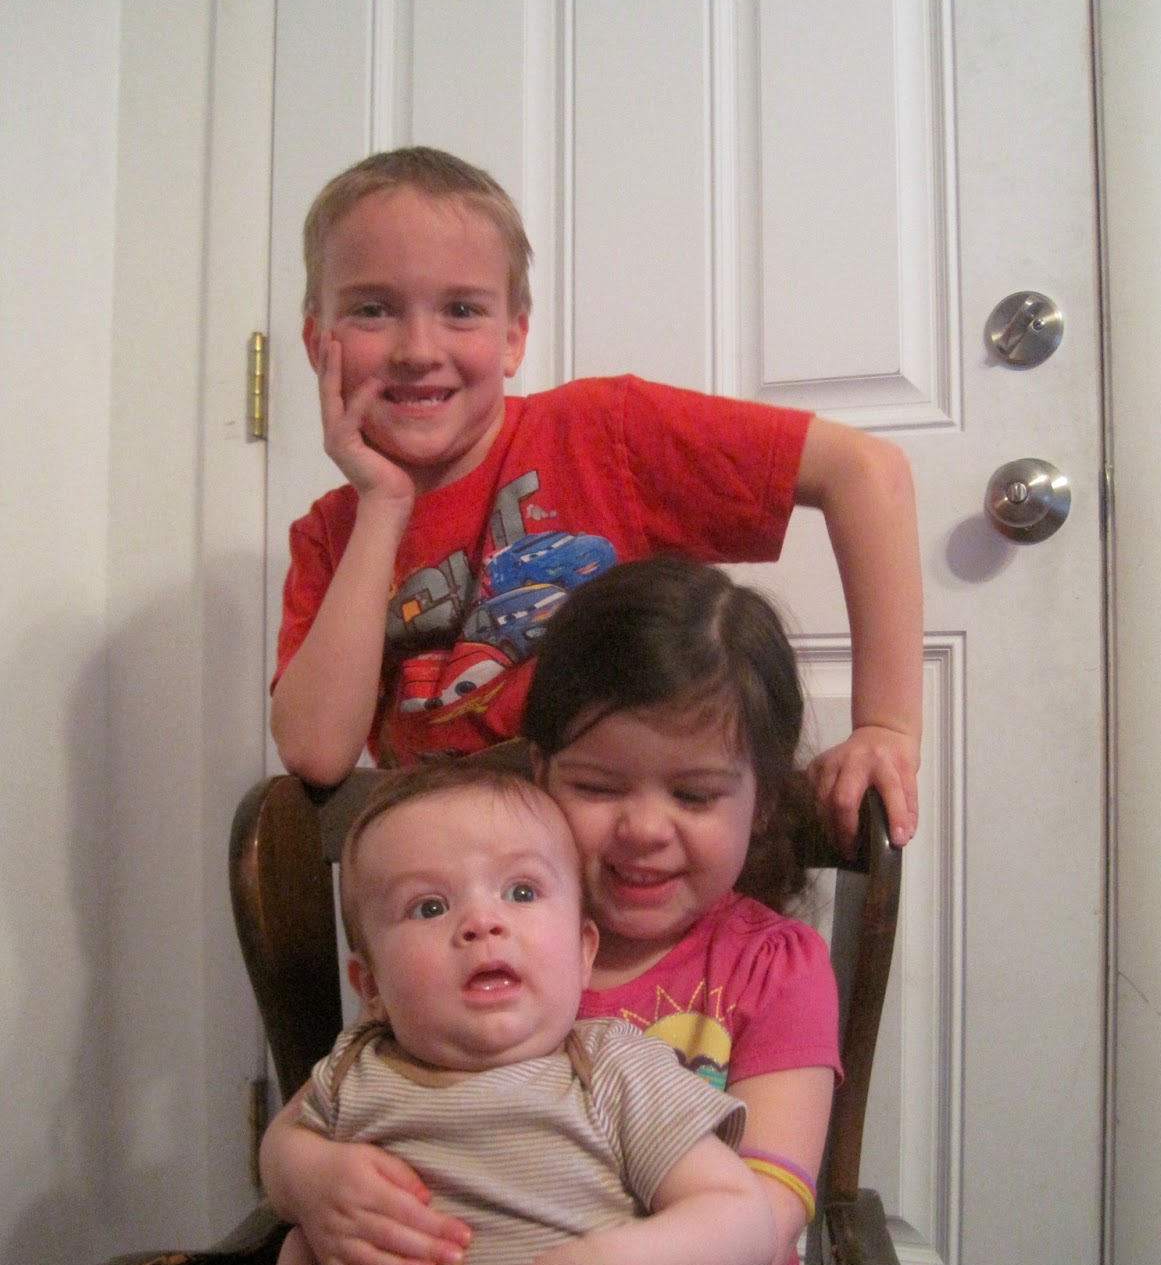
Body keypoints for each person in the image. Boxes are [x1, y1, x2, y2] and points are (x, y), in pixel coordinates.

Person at [263, 557, 843, 1265]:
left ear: (763, 800)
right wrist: (302, 1246)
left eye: (694, 795)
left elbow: (758, 1233)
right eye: (600, 787)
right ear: (542, 776)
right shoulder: (469, 980)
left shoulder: (769, 969)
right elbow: (318, 1144)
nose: (644, 827)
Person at [269, 145, 922, 852]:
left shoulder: (601, 433)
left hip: (641, 870)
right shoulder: (332, 535)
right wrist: (383, 506)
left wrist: (885, 726)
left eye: (461, 309)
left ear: (513, 336)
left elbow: (866, 471)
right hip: (467, 888)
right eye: (373, 310)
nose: (418, 349)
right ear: (317, 342)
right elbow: (315, 752)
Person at [253, 757, 778, 1265]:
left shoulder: (612, 1070)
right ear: (370, 987)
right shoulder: (354, 1071)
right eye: (429, 907)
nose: (482, 922)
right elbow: (321, 1216)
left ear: (584, 953)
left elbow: (743, 1220)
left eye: (522, 892)